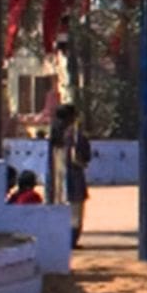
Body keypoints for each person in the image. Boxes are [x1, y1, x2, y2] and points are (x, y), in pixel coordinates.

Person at [48, 103, 92, 247]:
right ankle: (71, 240)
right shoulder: (74, 134)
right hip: (73, 179)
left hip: (57, 181)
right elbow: (78, 157)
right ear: (71, 117)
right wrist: (83, 163)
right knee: (75, 213)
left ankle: (60, 240)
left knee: (59, 209)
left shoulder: (54, 134)